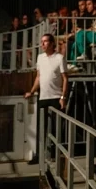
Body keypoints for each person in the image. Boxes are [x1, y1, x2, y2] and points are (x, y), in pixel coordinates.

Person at [24, 33, 68, 163]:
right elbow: (38, 77)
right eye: (41, 41)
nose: (42, 44)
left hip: (55, 96)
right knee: (41, 127)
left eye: (45, 41)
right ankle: (40, 155)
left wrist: (62, 96)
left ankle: (55, 155)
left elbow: (65, 78)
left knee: (56, 127)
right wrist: (32, 92)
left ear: (52, 43)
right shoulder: (40, 58)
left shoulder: (60, 58)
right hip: (43, 96)